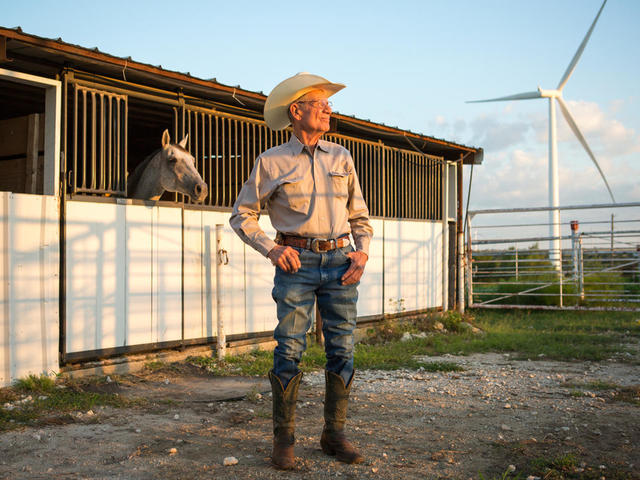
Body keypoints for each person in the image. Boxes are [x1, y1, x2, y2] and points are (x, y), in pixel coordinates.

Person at [229, 72, 373, 470]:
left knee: (342, 347)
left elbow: (358, 214)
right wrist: (272, 249)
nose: (328, 109)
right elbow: (242, 214)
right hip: (296, 263)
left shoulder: (341, 156)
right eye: (320, 103)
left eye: (328, 104)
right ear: (297, 111)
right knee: (289, 348)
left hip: (341, 262)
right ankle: (284, 441)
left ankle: (334, 434)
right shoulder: (271, 161)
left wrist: (362, 252)